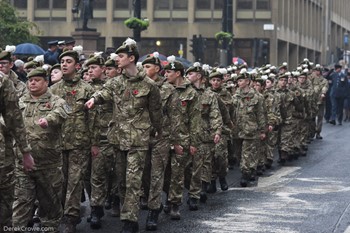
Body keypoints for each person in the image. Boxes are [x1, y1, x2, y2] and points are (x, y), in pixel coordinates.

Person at [85, 38, 162, 233]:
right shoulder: (115, 82)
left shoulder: (149, 85)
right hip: (118, 139)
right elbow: (103, 93)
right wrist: (93, 99)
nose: (117, 59)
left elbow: (156, 112)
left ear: (131, 58)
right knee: (122, 181)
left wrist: (157, 131)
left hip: (138, 140)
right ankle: (128, 214)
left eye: (120, 56)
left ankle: (130, 220)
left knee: (133, 179)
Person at [12, 67, 69, 233]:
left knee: (50, 207)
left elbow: (62, 113)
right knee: (21, 204)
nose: (33, 83)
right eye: (30, 80)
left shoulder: (58, 101)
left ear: (46, 82)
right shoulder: (20, 101)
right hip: (23, 163)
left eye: (37, 80)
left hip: (48, 164)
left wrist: (48, 119)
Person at [50, 49, 97, 233]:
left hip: (79, 143)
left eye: (68, 61)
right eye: (62, 61)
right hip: (58, 143)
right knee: (60, 181)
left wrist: (94, 143)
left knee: (75, 181)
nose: (64, 64)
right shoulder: (53, 89)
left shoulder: (87, 89)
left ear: (77, 66)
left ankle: (71, 217)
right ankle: (61, 213)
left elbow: (93, 119)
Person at [141, 52, 181, 230]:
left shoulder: (168, 89)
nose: (144, 70)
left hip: (161, 138)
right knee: (144, 174)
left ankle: (153, 211)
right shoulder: (139, 86)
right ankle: (152, 198)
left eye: (147, 67)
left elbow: (175, 117)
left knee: (157, 175)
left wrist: (176, 141)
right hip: (140, 137)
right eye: (142, 67)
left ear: (157, 69)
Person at [0, 70, 35, 230]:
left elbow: (14, 118)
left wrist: (25, 151)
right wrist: (25, 152)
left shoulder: (3, 81)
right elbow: (14, 119)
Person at [232, 69, 266, 187]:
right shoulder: (236, 96)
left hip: (251, 129)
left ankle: (245, 173)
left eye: (241, 80)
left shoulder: (257, 96)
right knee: (239, 153)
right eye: (238, 81)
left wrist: (262, 130)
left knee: (248, 151)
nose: (238, 83)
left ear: (247, 81)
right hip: (237, 129)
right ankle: (251, 169)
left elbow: (261, 114)